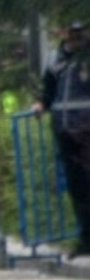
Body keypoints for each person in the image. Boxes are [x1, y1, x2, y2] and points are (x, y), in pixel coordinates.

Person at [38, 21, 90, 256]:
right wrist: (40, 104)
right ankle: (85, 240)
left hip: (86, 131)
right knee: (77, 188)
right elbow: (48, 91)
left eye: (79, 31)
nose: (75, 36)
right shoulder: (55, 59)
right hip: (66, 131)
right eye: (71, 31)